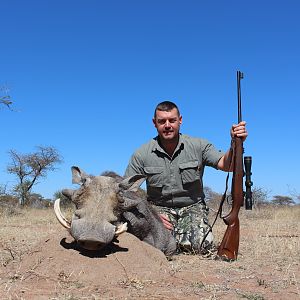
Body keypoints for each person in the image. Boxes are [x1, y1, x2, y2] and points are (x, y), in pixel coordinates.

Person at [124, 101, 248, 254]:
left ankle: (182, 239)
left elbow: (226, 165)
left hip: (192, 207)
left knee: (200, 246)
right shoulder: (141, 154)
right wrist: (151, 214)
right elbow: (128, 192)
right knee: (156, 245)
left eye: (172, 120)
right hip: (158, 209)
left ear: (180, 120)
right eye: (162, 121)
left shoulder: (199, 145)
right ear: (154, 123)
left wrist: (235, 144)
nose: (167, 125)